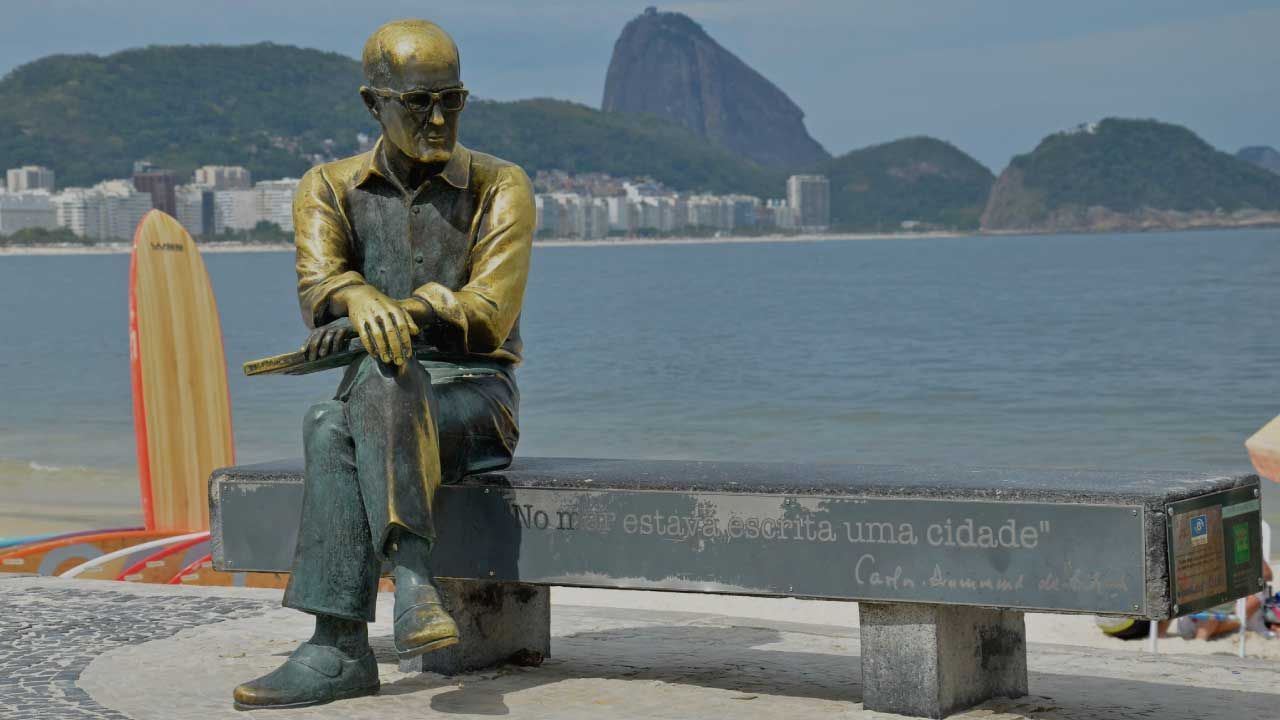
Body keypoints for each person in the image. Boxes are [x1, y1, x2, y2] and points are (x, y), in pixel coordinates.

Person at [232, 19, 534, 710]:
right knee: (338, 412)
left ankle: (342, 643)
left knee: (353, 400)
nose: (438, 118)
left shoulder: (500, 187)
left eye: (451, 100)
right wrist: (358, 299)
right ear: (374, 104)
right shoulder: (328, 187)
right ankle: (405, 596)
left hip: (476, 402)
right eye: (417, 103)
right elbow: (319, 286)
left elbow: (490, 309)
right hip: (379, 401)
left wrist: (408, 311)